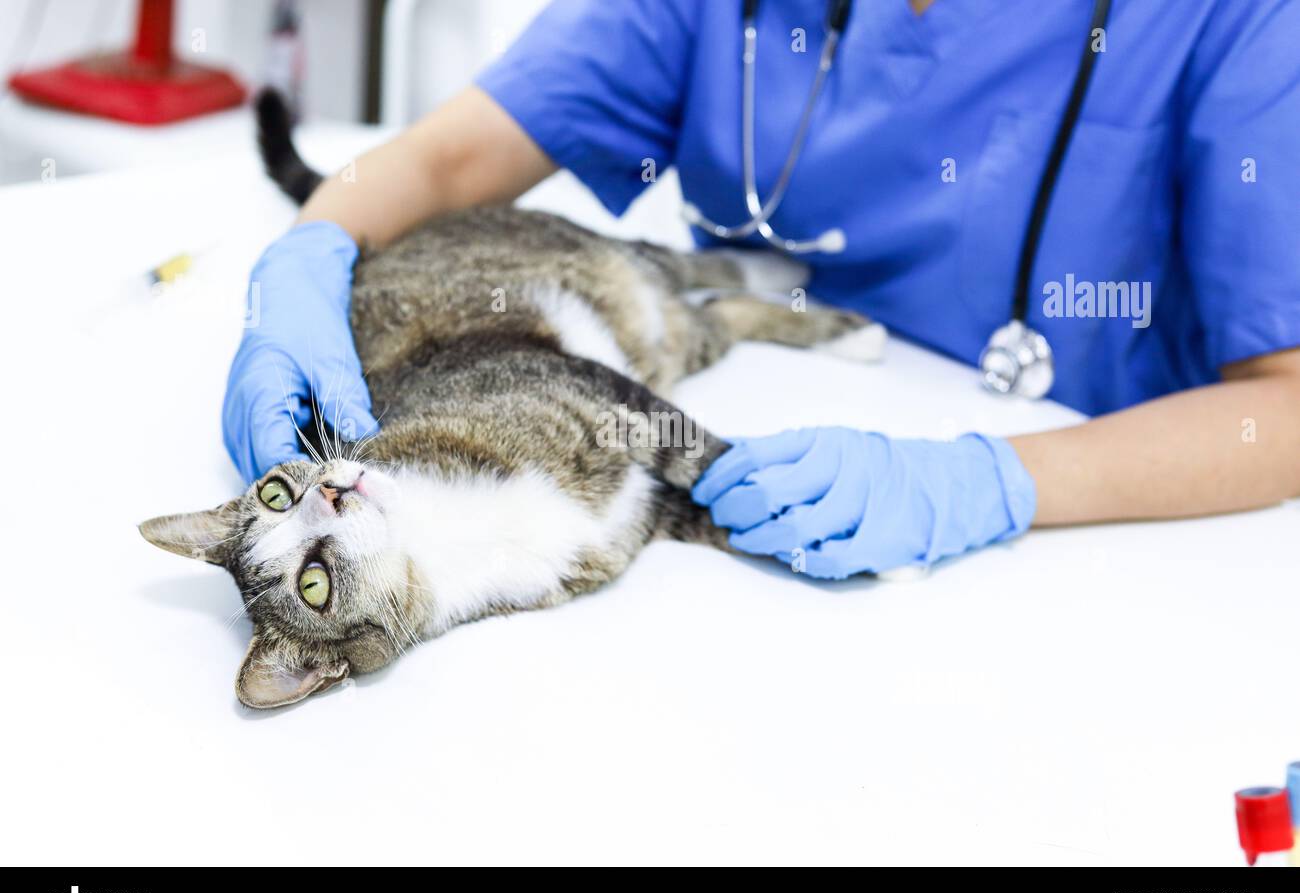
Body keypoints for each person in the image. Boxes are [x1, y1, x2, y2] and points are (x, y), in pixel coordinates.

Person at [223, 0, 1300, 580]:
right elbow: (453, 158)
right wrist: (305, 262)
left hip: (1106, 540)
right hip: (745, 477)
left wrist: (981, 485)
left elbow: (1285, 405)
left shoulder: (1239, 21)